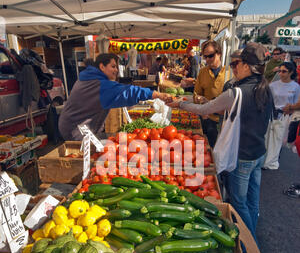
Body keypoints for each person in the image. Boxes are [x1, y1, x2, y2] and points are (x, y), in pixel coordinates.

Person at [167, 43, 273, 241]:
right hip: (259, 153)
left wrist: (180, 103)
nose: (233, 67)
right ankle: (252, 235)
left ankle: (251, 244)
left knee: (239, 203)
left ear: (247, 66)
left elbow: (205, 109)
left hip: (241, 155)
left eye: (236, 63)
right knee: (252, 202)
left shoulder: (237, 93)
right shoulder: (265, 88)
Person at [58, 53, 172, 141]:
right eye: (113, 66)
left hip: (71, 124)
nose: (116, 70)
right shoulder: (100, 84)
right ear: (102, 66)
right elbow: (128, 92)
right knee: (84, 159)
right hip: (75, 129)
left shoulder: (89, 77)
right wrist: (157, 94)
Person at [193, 40, 226, 148]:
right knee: (210, 149)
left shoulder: (229, 72)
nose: (207, 59)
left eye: (210, 56)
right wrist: (197, 99)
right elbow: (196, 93)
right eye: (205, 57)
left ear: (219, 54)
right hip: (208, 119)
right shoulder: (203, 72)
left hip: (225, 121)